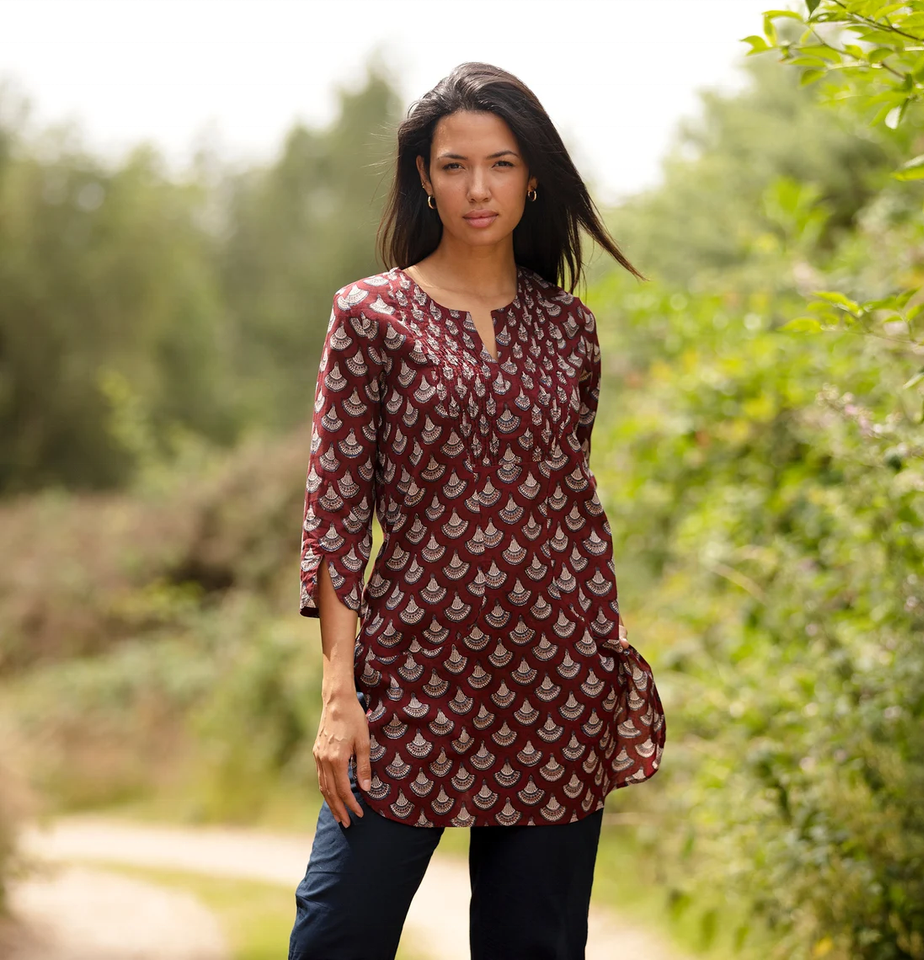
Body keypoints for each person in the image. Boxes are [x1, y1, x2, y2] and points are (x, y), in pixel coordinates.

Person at [289, 61, 666, 960]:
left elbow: (569, 502)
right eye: (454, 166)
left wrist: (603, 647)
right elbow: (336, 513)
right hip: (409, 678)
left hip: (555, 678)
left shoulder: (569, 329)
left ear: (532, 176)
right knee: (337, 932)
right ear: (424, 177)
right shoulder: (371, 316)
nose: (478, 188)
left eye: (500, 164)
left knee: (533, 947)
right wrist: (339, 690)